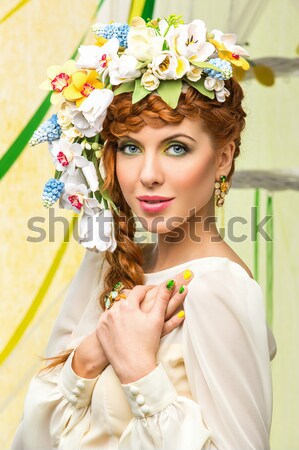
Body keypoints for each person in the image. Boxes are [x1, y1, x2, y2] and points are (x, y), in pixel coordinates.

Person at [12, 15, 277, 450]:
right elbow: (32, 439)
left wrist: (138, 370)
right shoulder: (108, 263)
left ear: (224, 157)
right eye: (130, 147)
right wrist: (89, 357)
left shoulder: (218, 290)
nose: (147, 175)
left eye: (177, 148)